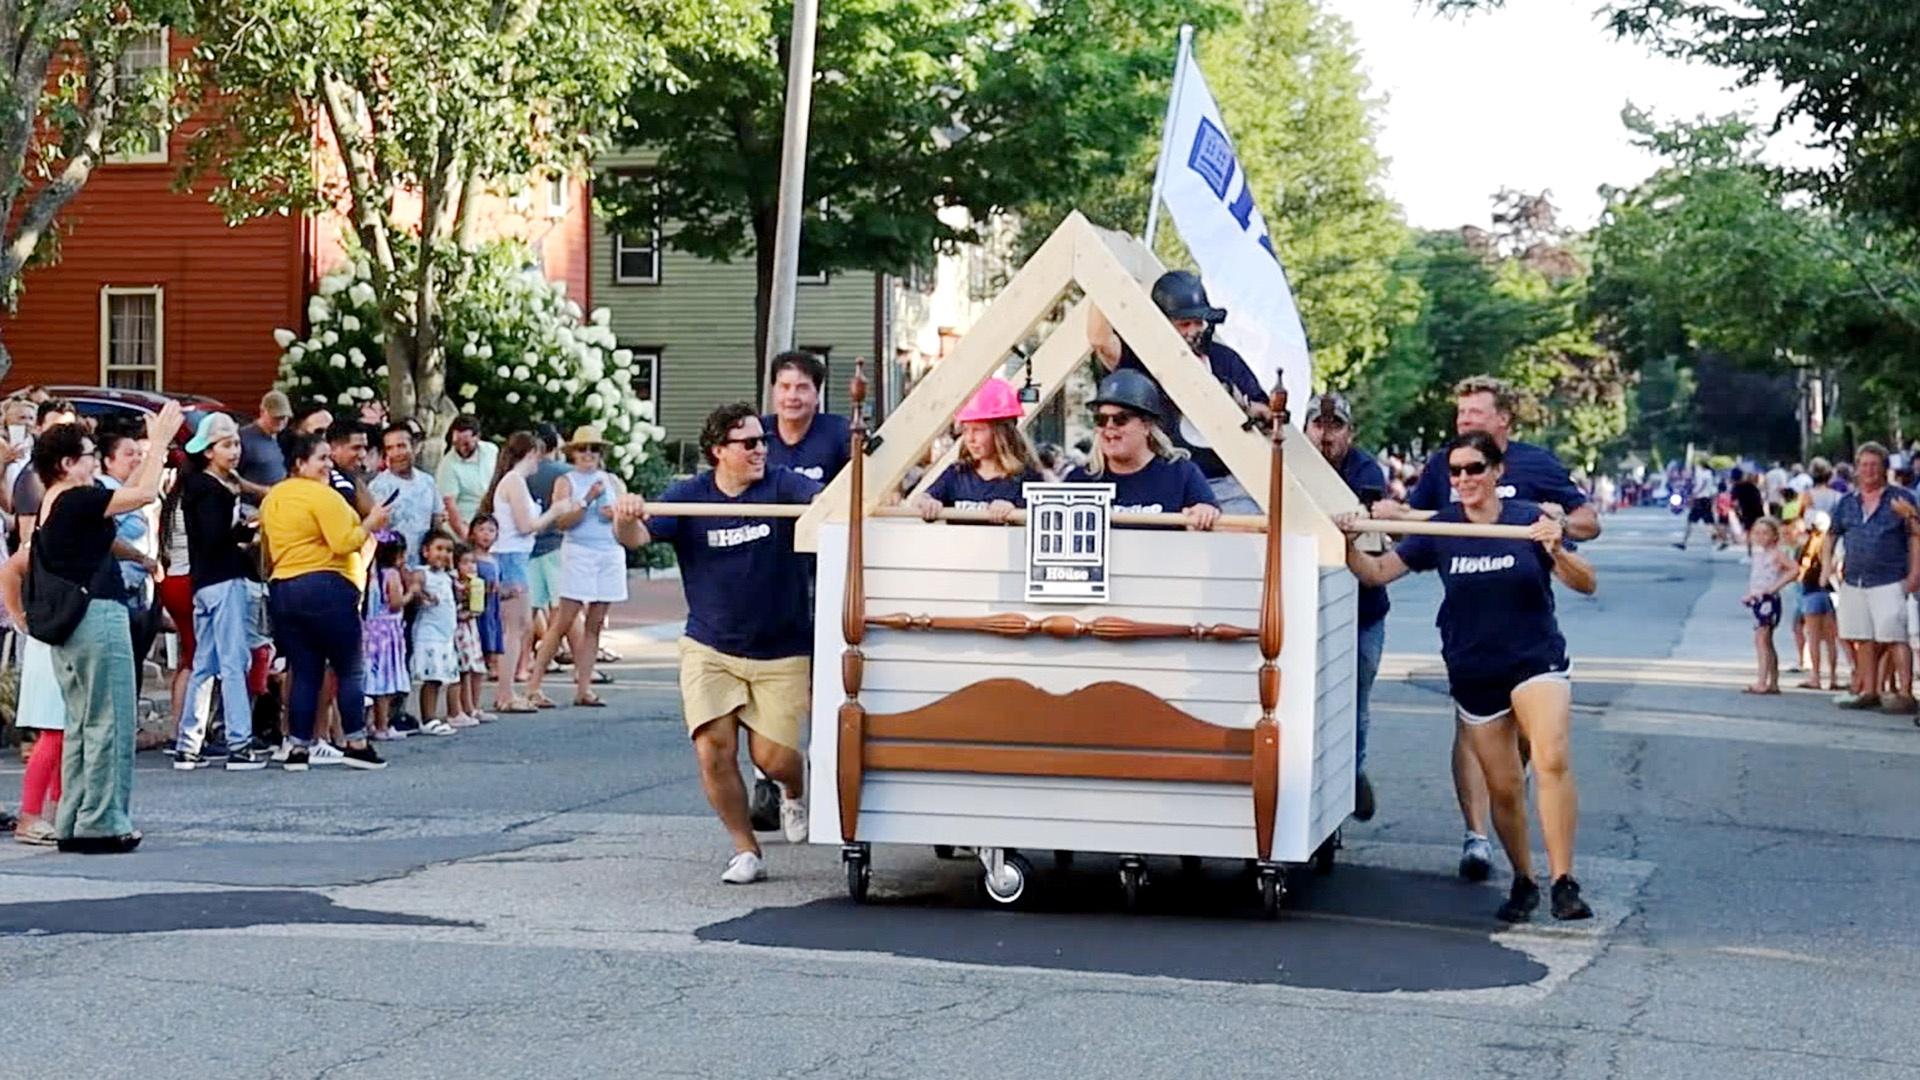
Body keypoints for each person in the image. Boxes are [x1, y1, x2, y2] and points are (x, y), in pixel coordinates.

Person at [1342, 431, 1597, 922]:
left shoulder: (1528, 519)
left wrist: (1558, 549)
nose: (1463, 480)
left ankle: (1564, 882)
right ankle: (1524, 879)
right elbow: (1376, 574)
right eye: (1455, 472)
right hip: (1473, 665)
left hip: (1534, 657)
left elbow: (1587, 583)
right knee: (1502, 786)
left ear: (1497, 471)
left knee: (1551, 758)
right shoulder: (1442, 528)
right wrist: (1348, 544)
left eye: (1474, 469)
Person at [623, 403, 821, 883]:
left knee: (772, 759)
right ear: (718, 451)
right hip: (710, 646)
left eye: (762, 441)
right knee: (712, 748)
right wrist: (625, 516)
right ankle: (745, 849)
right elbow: (634, 538)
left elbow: (827, 502)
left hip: (782, 648)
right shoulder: (691, 496)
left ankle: (793, 790)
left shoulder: (783, 485)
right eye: (748, 443)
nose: (759, 450)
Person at [32, 404, 181, 852]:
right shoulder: (75, 497)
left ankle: (75, 818)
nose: (95, 461)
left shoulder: (58, 503)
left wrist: (138, 557)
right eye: (88, 455)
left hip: (75, 624)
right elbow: (144, 494)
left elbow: (118, 509)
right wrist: (159, 444)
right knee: (111, 720)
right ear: (66, 464)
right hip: (97, 616)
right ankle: (102, 822)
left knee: (83, 723)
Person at [259, 431, 392, 770]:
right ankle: (356, 742)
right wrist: (371, 523)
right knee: (348, 667)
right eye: (320, 458)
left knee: (304, 670)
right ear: (299, 463)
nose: (327, 466)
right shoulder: (325, 497)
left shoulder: (273, 498)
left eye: (328, 459)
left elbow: (268, 548)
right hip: (327, 585)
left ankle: (299, 745)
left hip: (285, 587)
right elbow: (344, 541)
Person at [1088, 269, 1272, 512]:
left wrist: (1240, 405)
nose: (1193, 330)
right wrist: (1102, 275)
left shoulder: (1225, 360)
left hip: (1222, 483)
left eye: (1199, 322)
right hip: (1163, 482)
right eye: (1184, 324)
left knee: (1249, 530)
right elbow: (1100, 340)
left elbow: (1268, 416)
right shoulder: (1142, 358)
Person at [1302, 391, 1387, 821]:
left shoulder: (1366, 470)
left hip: (1362, 606)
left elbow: (1369, 517)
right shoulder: (1289, 467)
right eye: (1318, 425)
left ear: (1349, 432)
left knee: (1354, 698)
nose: (1325, 435)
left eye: (1335, 427)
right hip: (1305, 601)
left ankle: (1351, 772)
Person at [171, 413, 272, 771]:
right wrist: (247, 529)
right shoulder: (212, 490)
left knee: (204, 663)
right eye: (227, 445)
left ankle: (188, 744)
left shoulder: (198, 486)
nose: (235, 451)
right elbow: (217, 538)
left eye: (236, 444)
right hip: (224, 578)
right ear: (209, 451)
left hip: (203, 581)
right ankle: (238, 742)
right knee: (233, 662)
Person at [525, 427, 627, 707]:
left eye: (594, 449)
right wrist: (588, 500)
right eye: (583, 449)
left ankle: (584, 687)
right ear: (572, 453)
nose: (589, 455)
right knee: (563, 620)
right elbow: (562, 521)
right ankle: (534, 685)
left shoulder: (612, 481)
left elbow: (624, 520)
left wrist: (617, 514)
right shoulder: (566, 481)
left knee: (595, 623)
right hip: (579, 551)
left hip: (608, 551)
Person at [479, 432, 574, 713]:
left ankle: (507, 691)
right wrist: (556, 510)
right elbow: (525, 525)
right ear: (532, 454)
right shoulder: (514, 482)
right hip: (512, 556)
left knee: (519, 627)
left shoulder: (510, 482)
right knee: (515, 628)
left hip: (515, 555)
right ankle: (506, 694)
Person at [1825, 442, 1920, 714]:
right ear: (1856, 469)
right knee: (1862, 636)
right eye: (1864, 465)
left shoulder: (1901, 498)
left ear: (1884, 469)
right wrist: (1827, 566)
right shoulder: (1848, 502)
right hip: (1855, 578)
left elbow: (1916, 535)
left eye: (1874, 465)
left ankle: (1905, 692)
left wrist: (1915, 573)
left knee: (1895, 635)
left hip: (1890, 577)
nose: (1869, 470)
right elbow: (1832, 533)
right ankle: (1870, 689)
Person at [1064, 369, 1219, 529]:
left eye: (1120, 419)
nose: (1109, 427)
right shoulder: (1078, 481)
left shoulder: (1182, 474)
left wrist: (1205, 513)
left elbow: (1215, 528)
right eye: (1101, 419)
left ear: (1147, 426)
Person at [2, 548, 69, 845]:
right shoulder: (49, 535)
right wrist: (20, 618)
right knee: (54, 733)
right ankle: (31, 814)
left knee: (63, 735)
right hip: (49, 638)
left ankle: (56, 810)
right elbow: (10, 571)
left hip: (58, 634)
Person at [912, 378, 1043, 524]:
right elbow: (922, 498)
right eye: (966, 429)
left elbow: (1041, 524)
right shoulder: (957, 473)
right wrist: (926, 502)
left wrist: (1014, 512)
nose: (969, 438)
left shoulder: (1027, 478)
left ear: (1001, 433)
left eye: (978, 430)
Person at [521, 423, 573, 700]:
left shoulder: (518, 476)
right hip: (554, 545)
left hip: (528, 547)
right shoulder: (564, 474)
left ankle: (523, 661)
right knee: (564, 609)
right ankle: (570, 658)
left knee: (528, 610)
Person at [762, 350, 851, 483]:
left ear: (817, 396)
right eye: (785, 387)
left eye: (802, 388)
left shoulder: (841, 432)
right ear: (773, 391)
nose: (792, 396)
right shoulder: (755, 434)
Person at [363, 534, 416, 740]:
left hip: (368, 630)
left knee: (369, 678)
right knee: (384, 682)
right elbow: (395, 603)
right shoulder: (390, 574)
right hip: (387, 632)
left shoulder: (369, 573)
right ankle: (382, 725)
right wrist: (411, 592)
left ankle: (367, 723)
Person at [368, 422, 445, 566]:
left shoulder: (427, 482)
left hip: (424, 568)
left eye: (401, 446)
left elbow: (437, 523)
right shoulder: (378, 487)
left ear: (414, 447)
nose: (397, 453)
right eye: (390, 448)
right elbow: (376, 532)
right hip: (392, 567)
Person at [410, 531, 462, 735]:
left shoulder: (448, 577)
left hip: (445, 635)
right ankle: (428, 718)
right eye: (439, 549)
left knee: (441, 677)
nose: (444, 554)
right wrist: (423, 595)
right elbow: (414, 588)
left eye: (448, 550)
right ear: (426, 551)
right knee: (432, 678)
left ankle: (433, 716)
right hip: (429, 634)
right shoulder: (422, 573)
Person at [1742, 517, 1798, 695]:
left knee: (1761, 639)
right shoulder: (1759, 554)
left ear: (1774, 536)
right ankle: (1772, 681)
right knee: (1766, 641)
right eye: (1757, 533)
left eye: (1765, 533)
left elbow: (1795, 569)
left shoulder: (1777, 554)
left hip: (1769, 601)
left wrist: (1774, 588)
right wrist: (1751, 594)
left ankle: (1762, 681)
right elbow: (1757, 577)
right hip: (1758, 599)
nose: (1760, 536)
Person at [1793, 512, 1841, 690]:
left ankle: (1816, 677)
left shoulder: (1806, 545)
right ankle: (1834, 677)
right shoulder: (1831, 544)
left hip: (1811, 592)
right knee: (1830, 639)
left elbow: (1801, 569)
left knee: (1813, 638)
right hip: (1830, 593)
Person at [436, 414, 499, 536]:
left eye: (465, 444)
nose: (461, 448)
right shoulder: (447, 465)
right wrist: (466, 537)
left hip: (492, 520)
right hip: (466, 522)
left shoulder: (491, 451)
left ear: (477, 437)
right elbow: (451, 505)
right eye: (456, 443)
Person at [237, 390, 293, 497]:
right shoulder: (244, 438)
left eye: (283, 417)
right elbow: (231, 477)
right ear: (262, 412)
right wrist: (264, 490)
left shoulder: (283, 437)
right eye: (276, 417)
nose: (280, 422)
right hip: (252, 506)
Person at [326, 420, 373, 513]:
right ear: (333, 448)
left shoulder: (351, 476)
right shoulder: (336, 482)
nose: (363, 454)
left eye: (365, 448)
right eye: (356, 448)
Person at [1674, 458, 1720, 550]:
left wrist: (1695, 494)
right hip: (1706, 500)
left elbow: (1702, 485)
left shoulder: (1704, 474)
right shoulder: (1710, 474)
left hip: (1700, 500)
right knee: (1708, 522)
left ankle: (1684, 542)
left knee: (1691, 521)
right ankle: (1718, 541)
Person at [1730, 468, 1765, 550]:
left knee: (1748, 531)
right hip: (1758, 510)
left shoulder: (1737, 487)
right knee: (1760, 530)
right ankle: (1764, 549)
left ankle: (1750, 551)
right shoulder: (1753, 486)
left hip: (1746, 511)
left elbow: (1734, 503)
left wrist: (1738, 514)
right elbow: (1759, 499)